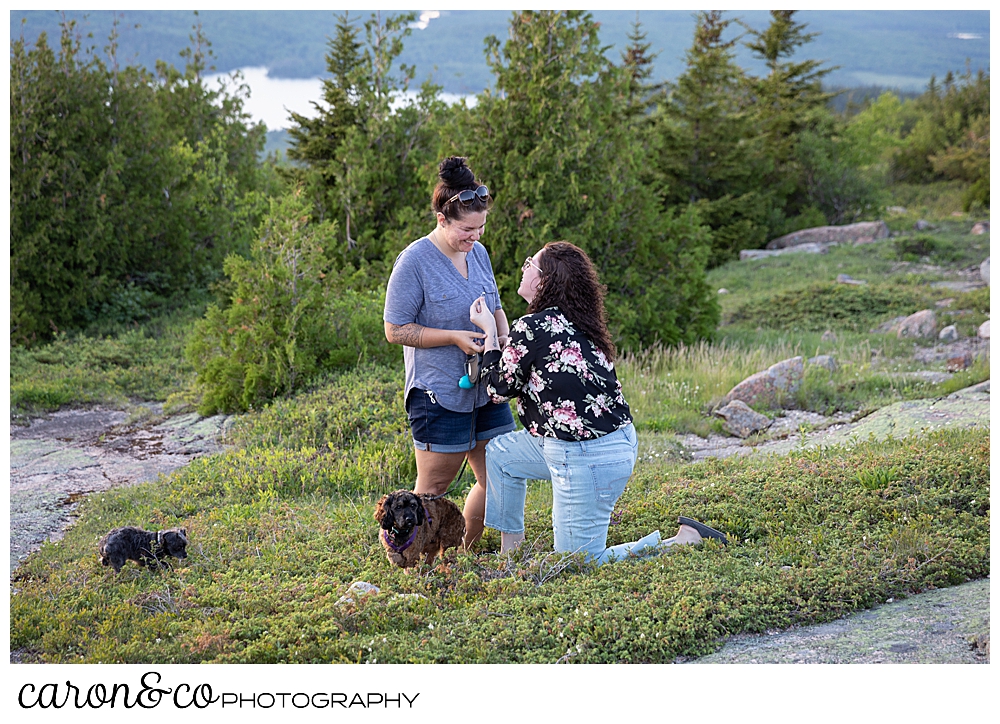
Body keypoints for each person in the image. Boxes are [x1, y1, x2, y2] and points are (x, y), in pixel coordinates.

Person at [469, 241, 727, 565]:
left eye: (528, 265)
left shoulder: (531, 327)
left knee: (577, 561)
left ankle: (684, 541)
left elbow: (497, 389)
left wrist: (490, 335)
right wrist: (509, 347)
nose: (523, 270)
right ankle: (512, 556)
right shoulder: (580, 322)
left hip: (586, 457)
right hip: (609, 444)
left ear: (543, 280)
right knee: (502, 454)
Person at [383, 156, 516, 549]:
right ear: (442, 219)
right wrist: (454, 337)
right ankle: (405, 563)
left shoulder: (479, 252)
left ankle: (462, 553)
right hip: (438, 394)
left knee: (500, 474)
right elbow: (395, 330)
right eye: (466, 230)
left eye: (480, 227)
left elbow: (495, 305)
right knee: (430, 494)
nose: (474, 237)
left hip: (486, 389)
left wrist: (503, 337)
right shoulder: (414, 262)